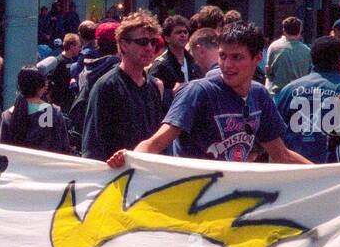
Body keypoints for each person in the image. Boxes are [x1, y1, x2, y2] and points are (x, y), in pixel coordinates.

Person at [106, 23, 311, 166]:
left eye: (237, 57)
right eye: (222, 56)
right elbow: (156, 143)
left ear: (257, 58)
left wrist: (334, 177)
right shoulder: (198, 92)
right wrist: (129, 159)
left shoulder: (259, 95)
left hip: (232, 201)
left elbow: (281, 154)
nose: (227, 65)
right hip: (193, 202)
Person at [81, 10, 167, 160]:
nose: (149, 48)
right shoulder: (107, 86)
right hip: (117, 178)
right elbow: (92, 147)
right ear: (123, 45)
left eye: (153, 42)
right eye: (142, 42)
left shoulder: (152, 86)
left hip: (146, 176)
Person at [275, 36, 340, 164]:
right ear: (339, 60)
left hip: (294, 169)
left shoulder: (289, 90)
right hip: (336, 170)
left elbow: (272, 131)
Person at [0, 66, 70, 154]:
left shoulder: (7, 116)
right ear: (42, 86)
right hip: (46, 166)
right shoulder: (53, 113)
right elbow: (64, 148)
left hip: (17, 166)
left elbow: (1, 150)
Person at [149, 14, 199, 97]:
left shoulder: (193, 61)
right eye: (178, 32)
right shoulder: (160, 65)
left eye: (185, 32)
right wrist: (172, 93)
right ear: (167, 38)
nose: (183, 35)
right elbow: (152, 96)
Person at [264, 16, 312, 94]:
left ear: (284, 30)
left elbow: (269, 72)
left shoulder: (274, 47)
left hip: (278, 94)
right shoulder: (307, 51)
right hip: (299, 95)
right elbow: (309, 74)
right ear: (299, 31)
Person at [40, 33, 81, 114]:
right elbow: (50, 82)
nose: (79, 49)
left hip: (69, 102)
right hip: (59, 104)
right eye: (78, 46)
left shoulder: (72, 61)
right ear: (72, 47)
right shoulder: (58, 62)